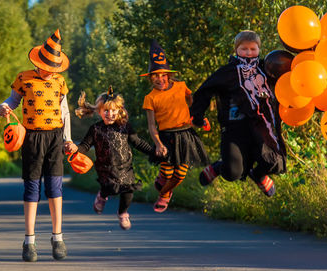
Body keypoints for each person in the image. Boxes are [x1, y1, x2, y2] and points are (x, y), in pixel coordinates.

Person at [0, 29, 72, 262]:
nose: (51, 72)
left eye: (55, 68)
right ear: (38, 63)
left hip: (55, 138)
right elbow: (12, 101)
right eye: (47, 67)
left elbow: (65, 112)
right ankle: (29, 241)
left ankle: (57, 237)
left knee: (55, 188)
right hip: (31, 138)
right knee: (32, 188)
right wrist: (3, 106)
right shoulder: (23, 78)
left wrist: (68, 139)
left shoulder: (60, 81)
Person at [190, 30, 287, 196]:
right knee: (233, 172)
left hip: (260, 127)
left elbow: (287, 81)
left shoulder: (266, 68)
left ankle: (257, 175)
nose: (248, 53)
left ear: (259, 49)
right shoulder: (229, 71)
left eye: (253, 49)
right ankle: (220, 167)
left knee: (274, 162)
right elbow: (206, 90)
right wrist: (197, 116)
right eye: (244, 49)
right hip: (235, 129)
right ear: (236, 50)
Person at [66, 87, 157, 230]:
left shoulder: (125, 127)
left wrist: (153, 151)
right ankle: (102, 196)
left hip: (125, 167)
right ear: (99, 112)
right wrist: (76, 150)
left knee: (128, 190)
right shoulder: (95, 129)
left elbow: (137, 142)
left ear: (119, 110)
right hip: (105, 168)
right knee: (110, 189)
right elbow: (85, 145)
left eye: (114, 110)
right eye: (106, 111)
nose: (110, 114)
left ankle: (122, 213)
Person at [141, 40, 209, 213]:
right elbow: (151, 125)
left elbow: (193, 101)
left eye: (163, 75)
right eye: (155, 75)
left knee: (180, 175)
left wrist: (198, 118)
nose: (160, 79)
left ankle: (164, 193)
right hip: (166, 137)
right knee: (169, 173)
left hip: (186, 134)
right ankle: (163, 186)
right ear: (150, 78)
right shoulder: (150, 97)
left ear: (168, 75)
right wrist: (158, 144)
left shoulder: (181, 86)